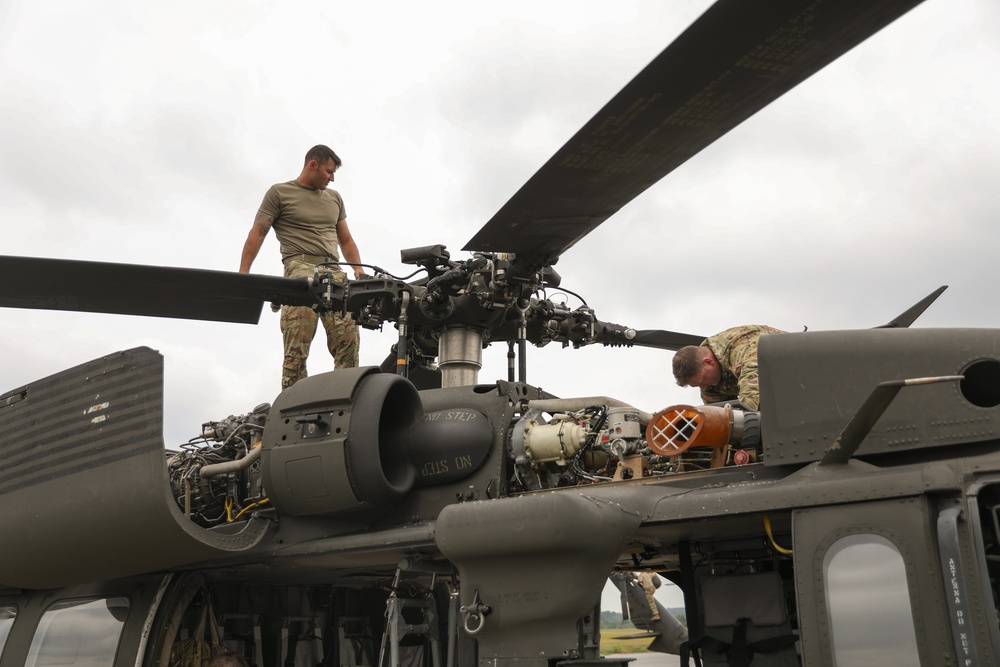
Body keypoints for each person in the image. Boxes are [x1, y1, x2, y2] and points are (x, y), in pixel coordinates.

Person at [240, 145, 366, 389]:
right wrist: (243, 276)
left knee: (348, 340)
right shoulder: (279, 193)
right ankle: (294, 403)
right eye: (329, 171)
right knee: (296, 348)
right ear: (313, 165)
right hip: (299, 270)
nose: (332, 178)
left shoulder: (334, 198)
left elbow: (346, 240)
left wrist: (358, 270)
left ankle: (346, 398)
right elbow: (257, 233)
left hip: (335, 273)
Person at [672, 324, 785, 410]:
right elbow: (717, 415)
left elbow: (753, 389)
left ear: (708, 362)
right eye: (698, 385)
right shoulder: (709, 384)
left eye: (702, 381)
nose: (703, 387)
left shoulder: (742, 347)